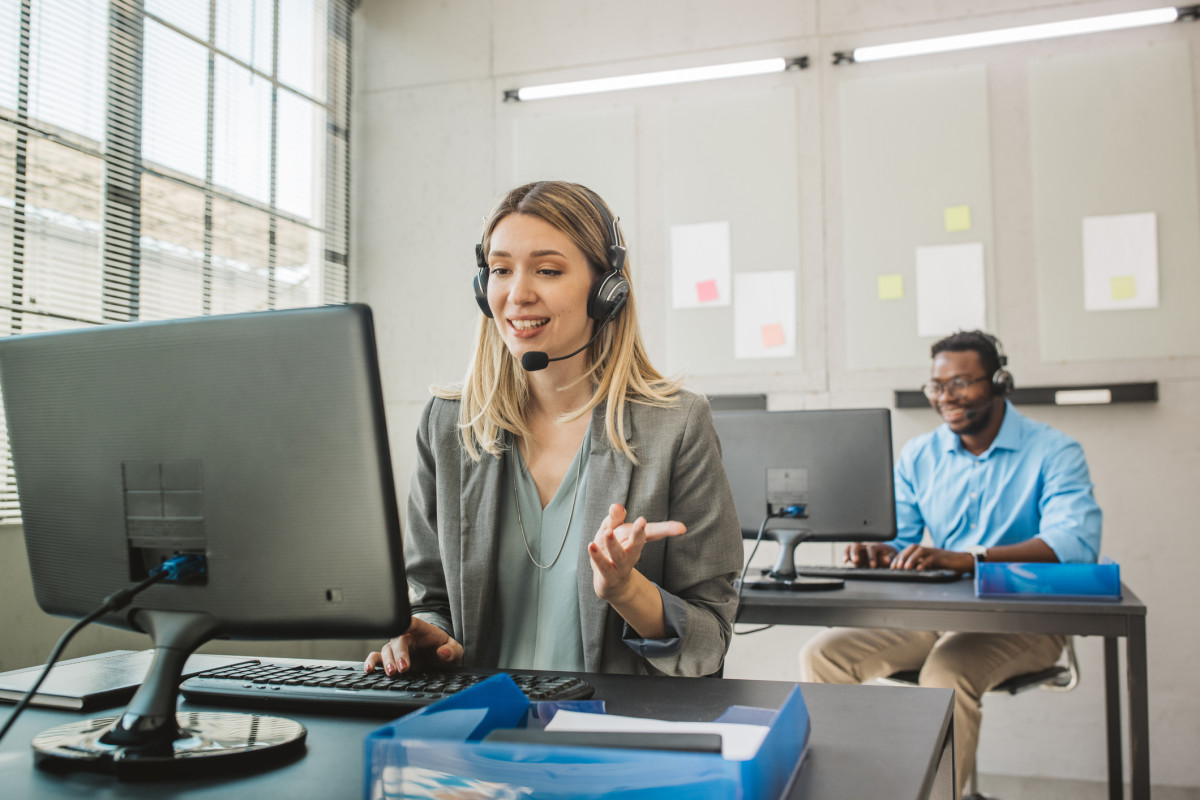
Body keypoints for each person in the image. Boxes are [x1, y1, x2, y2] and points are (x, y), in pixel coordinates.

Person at [365, 181, 743, 678]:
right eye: (500, 270)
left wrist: (628, 592)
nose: (518, 294)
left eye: (547, 270)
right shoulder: (449, 425)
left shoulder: (675, 426)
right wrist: (425, 634)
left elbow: (709, 639)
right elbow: (431, 598)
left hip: (608, 736)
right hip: (475, 736)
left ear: (607, 291)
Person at [799, 330, 1102, 795]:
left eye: (960, 383)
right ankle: (850, 791)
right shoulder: (920, 454)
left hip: (1026, 620)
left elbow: (1075, 542)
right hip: (934, 615)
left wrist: (970, 559)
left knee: (946, 671)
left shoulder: (1054, 451)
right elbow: (900, 539)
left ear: (1000, 381)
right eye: (937, 386)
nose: (946, 398)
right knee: (824, 654)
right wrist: (879, 551)